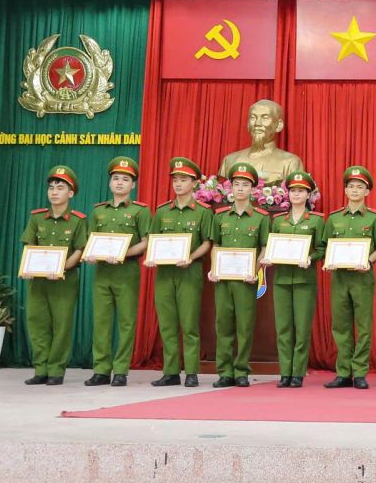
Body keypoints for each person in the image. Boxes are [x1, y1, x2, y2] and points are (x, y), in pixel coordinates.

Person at [20, 165, 88, 385]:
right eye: (51, 188)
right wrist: (29, 266)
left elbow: (79, 250)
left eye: (60, 188)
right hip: (38, 281)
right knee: (37, 323)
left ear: (71, 193)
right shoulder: (37, 218)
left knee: (61, 325)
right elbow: (29, 244)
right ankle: (40, 369)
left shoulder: (78, 220)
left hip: (64, 281)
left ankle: (56, 370)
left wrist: (60, 268)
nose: (54, 192)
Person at [84, 156, 148, 387]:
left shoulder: (140, 211)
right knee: (101, 322)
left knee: (126, 323)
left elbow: (146, 242)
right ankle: (101, 370)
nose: (120, 182)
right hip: (102, 273)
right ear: (110, 183)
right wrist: (90, 254)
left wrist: (124, 253)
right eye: (116, 178)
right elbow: (91, 240)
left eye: (125, 179)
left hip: (127, 271)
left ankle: (121, 370)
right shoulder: (98, 211)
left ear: (133, 185)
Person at [150, 157, 214, 388]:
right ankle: (171, 371)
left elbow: (207, 242)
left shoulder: (203, 212)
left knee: (189, 324)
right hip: (164, 273)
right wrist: (152, 256)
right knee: (167, 324)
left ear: (194, 183)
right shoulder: (162, 211)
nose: (178, 183)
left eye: (183, 179)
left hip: (190, 272)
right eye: (175, 179)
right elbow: (154, 239)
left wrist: (191, 257)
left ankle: (192, 372)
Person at [324, 165, 376, 390]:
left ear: (367, 191)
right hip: (339, 279)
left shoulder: (375, 218)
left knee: (363, 326)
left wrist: (368, 260)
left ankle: (359, 372)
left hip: (363, 278)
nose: (355, 190)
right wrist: (329, 260)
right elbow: (326, 246)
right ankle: (343, 372)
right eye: (351, 186)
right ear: (345, 190)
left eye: (360, 187)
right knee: (340, 326)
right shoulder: (334, 219)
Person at [210, 163, 269, 389]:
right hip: (223, 280)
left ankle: (241, 370)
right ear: (230, 188)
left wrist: (255, 270)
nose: (241, 188)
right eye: (236, 184)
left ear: (253, 189)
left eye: (245, 184)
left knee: (245, 326)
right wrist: (214, 268)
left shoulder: (261, 218)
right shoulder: (220, 216)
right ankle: (225, 371)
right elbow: (216, 245)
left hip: (246, 280)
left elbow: (264, 248)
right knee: (223, 324)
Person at [263, 170, 324, 388]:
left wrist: (310, 258)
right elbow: (271, 245)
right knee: (283, 328)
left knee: (302, 327)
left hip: (304, 280)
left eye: (301, 191)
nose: (296, 194)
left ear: (308, 195)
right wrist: (268, 257)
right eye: (293, 191)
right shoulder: (279, 220)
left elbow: (322, 248)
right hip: (281, 280)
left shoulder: (317, 221)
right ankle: (285, 372)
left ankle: (297, 372)